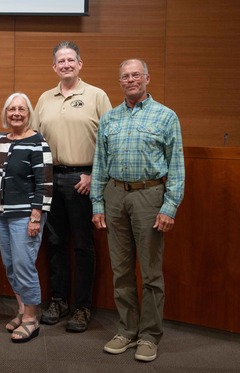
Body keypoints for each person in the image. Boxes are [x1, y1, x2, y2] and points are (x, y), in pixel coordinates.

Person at [90, 59, 185, 362]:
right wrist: (97, 202)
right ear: (120, 81)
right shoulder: (110, 118)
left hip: (149, 196)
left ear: (147, 78)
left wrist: (169, 206)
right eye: (125, 76)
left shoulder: (166, 116)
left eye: (136, 75)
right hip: (115, 195)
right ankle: (127, 331)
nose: (131, 80)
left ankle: (149, 335)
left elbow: (177, 167)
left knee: (151, 273)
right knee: (121, 270)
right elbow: (99, 164)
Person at [32, 41, 112, 332]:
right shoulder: (44, 98)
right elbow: (34, 141)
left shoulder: (96, 95)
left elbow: (109, 142)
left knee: (82, 245)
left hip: (83, 181)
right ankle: (58, 300)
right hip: (50, 179)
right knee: (53, 243)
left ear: (80, 64)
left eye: (70, 60)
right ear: (54, 66)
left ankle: (82, 306)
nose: (66, 64)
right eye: (60, 61)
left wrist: (94, 175)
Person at [0, 93, 53, 343]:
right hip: (3, 214)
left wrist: (36, 217)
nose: (16, 113)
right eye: (11, 109)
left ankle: (31, 318)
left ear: (29, 113)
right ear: (5, 113)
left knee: (24, 265)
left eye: (21, 109)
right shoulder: (2, 141)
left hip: (27, 215)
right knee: (10, 265)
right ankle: (21, 309)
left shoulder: (38, 143)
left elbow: (45, 184)